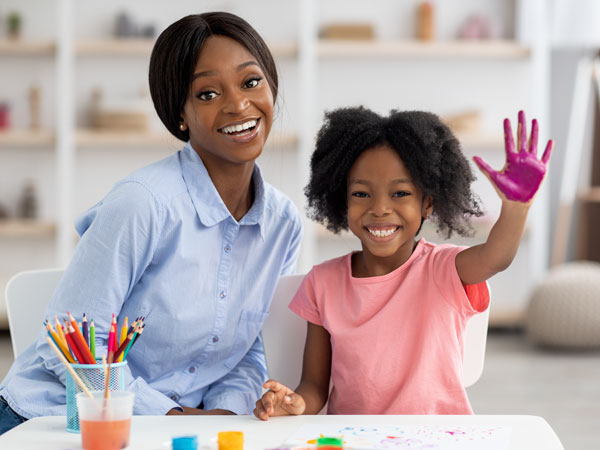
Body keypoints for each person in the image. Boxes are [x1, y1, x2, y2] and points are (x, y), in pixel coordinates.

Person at [0, 12, 303, 434]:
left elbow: (250, 353)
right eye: (208, 93)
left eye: (251, 82)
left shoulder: (283, 225)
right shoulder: (144, 204)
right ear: (179, 114)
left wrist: (226, 418)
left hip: (169, 430)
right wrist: (173, 416)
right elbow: (70, 349)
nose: (238, 104)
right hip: (49, 422)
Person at [254, 108, 553, 419]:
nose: (380, 208)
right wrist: (295, 403)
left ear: (427, 203)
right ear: (342, 201)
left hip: (438, 440)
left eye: (400, 193)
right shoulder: (322, 282)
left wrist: (516, 208)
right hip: (356, 440)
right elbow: (314, 386)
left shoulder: (446, 269)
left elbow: (496, 256)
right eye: (361, 193)